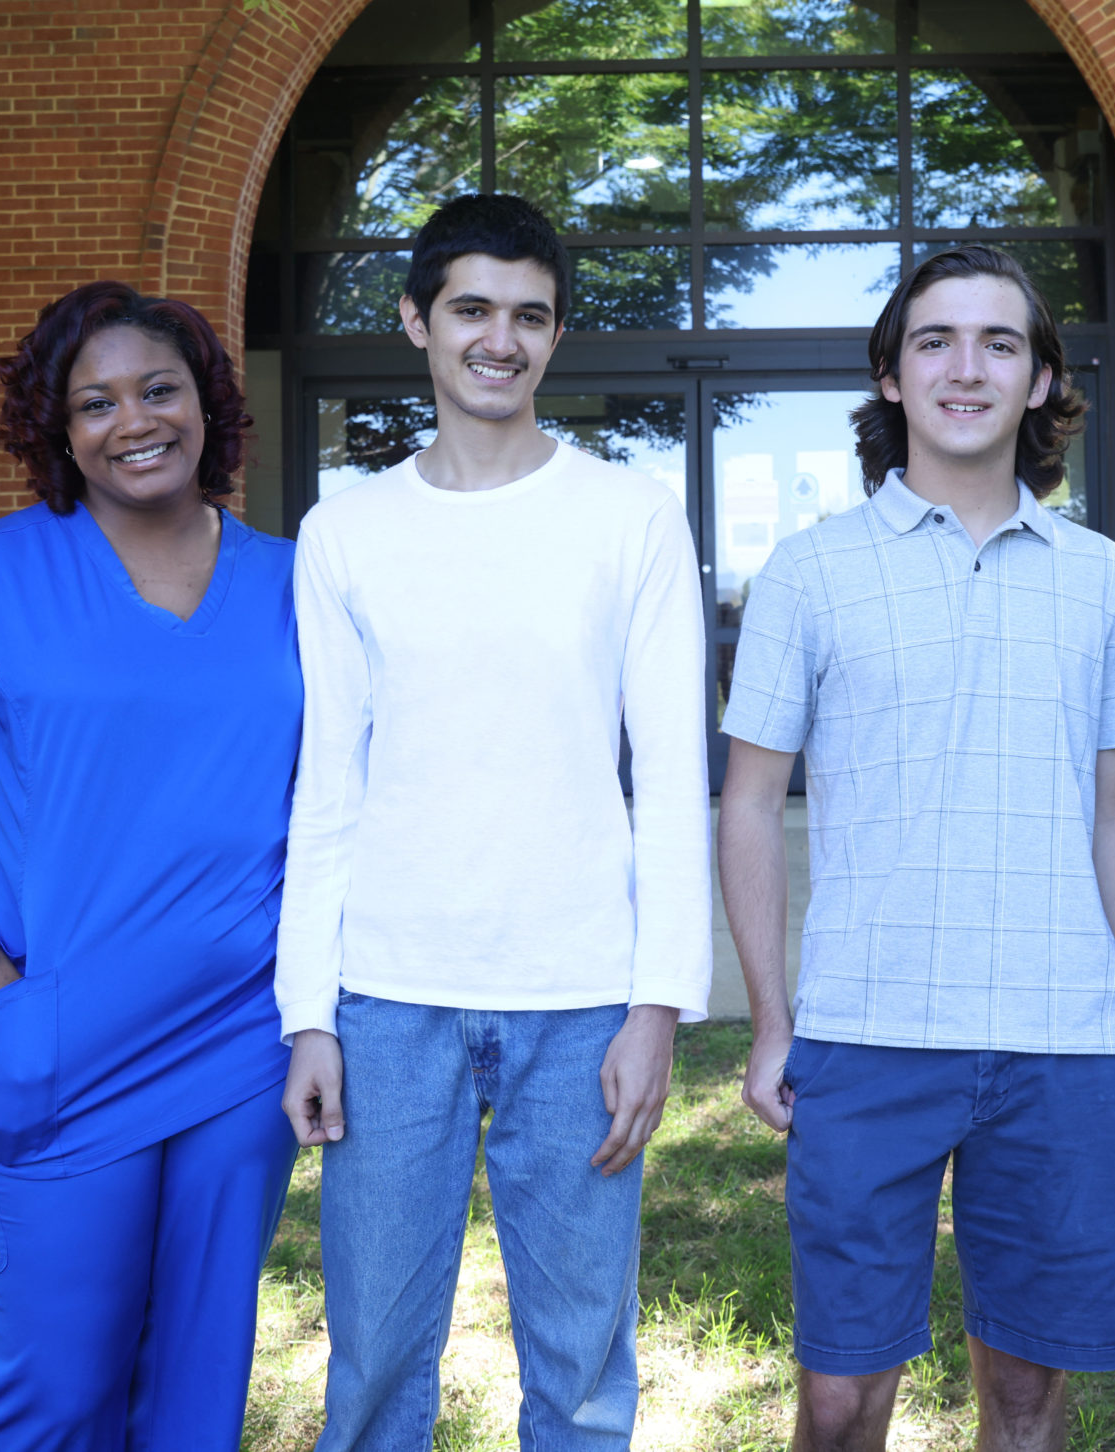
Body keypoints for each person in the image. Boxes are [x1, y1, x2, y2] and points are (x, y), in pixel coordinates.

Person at [717, 243, 1115, 1452]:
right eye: (935, 340)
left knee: (1026, 1401)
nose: (964, 368)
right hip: (866, 1033)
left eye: (998, 343)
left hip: (1059, 1038)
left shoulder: (1101, 577)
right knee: (837, 1397)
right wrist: (773, 1022)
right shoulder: (808, 572)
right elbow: (748, 802)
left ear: (1037, 382)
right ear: (888, 374)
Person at [275, 192, 711, 1452]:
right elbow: (328, 789)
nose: (499, 339)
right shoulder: (345, 529)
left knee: (580, 1372)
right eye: (471, 309)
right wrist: (308, 1011)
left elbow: (671, 777)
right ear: (416, 320)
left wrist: (656, 1007)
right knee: (370, 1361)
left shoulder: (627, 514)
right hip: (387, 999)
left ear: (556, 335)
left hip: (579, 998)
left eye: (529, 316)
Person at [0, 282, 300, 1450]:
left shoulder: (301, 585)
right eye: (93, 402)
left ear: (208, 404)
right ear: (55, 426)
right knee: (58, 1393)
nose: (131, 420)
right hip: (41, 1047)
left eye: (159, 389)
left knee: (197, 1394)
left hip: (236, 1051)